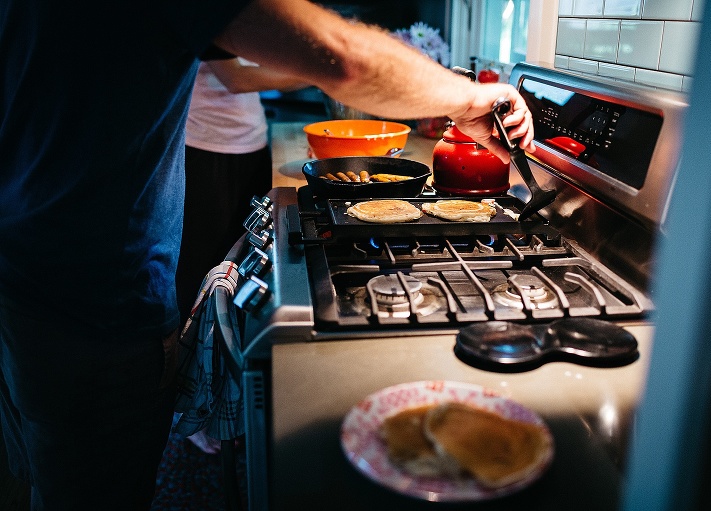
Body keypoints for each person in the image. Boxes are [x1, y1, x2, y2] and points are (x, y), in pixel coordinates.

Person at [0, 0, 534, 509]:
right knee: (94, 486)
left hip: (32, 268)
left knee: (47, 467)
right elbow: (344, 57)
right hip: (94, 302)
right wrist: (472, 98)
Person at [177, 57, 306, 324]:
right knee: (206, 267)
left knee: (242, 264)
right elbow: (236, 78)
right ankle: (193, 353)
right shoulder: (210, 15)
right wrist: (327, 74)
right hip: (208, 148)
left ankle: (227, 343)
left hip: (252, 143)